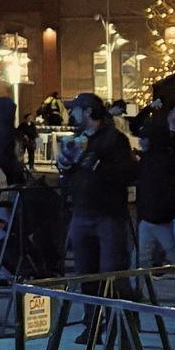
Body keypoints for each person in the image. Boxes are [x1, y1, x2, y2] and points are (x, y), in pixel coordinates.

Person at [60, 92, 135, 281]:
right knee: (85, 275)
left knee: (112, 275)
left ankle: (119, 308)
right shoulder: (77, 138)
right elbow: (70, 176)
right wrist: (66, 166)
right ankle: (92, 311)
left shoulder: (115, 140)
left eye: (75, 110)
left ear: (88, 112)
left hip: (108, 215)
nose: (71, 114)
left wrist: (96, 164)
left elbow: (127, 174)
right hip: (81, 212)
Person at [131, 100, 175, 278]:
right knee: (170, 256)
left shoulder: (154, 160)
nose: (141, 142)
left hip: (159, 215)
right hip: (159, 214)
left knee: (144, 258)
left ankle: (137, 291)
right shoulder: (159, 157)